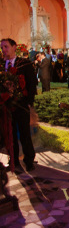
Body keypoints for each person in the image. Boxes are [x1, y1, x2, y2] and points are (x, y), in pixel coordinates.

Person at [1, 38, 37, 171]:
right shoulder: (1, 64)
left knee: (24, 134)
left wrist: (29, 103)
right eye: (2, 47)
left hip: (21, 105)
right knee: (9, 135)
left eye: (6, 47)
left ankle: (29, 160)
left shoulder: (24, 64)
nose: (3, 50)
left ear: (14, 47)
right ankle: (13, 160)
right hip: (6, 106)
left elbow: (32, 83)